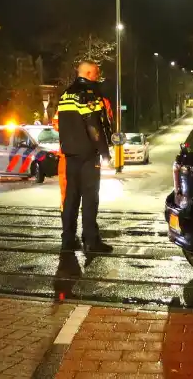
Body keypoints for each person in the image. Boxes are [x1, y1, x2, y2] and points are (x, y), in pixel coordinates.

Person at [56, 61, 114, 253]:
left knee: (71, 198)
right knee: (90, 198)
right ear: (89, 73)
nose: (98, 77)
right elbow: (93, 126)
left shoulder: (65, 95)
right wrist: (104, 152)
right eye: (96, 73)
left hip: (70, 154)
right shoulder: (88, 95)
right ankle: (91, 240)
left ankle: (68, 239)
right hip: (88, 154)